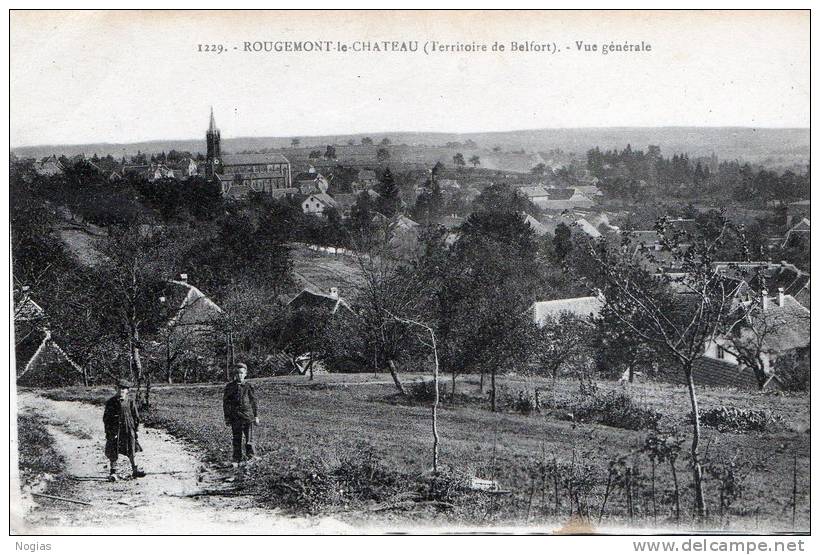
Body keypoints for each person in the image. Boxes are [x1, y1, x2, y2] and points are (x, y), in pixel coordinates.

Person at [103, 380, 146, 481]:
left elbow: (135, 416)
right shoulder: (111, 402)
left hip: (128, 428)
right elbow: (106, 418)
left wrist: (136, 429)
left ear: (127, 390)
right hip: (115, 430)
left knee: (131, 448)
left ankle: (135, 470)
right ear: (116, 389)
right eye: (119, 388)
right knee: (114, 449)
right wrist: (109, 431)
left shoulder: (130, 401)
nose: (121, 390)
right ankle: (113, 472)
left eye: (124, 388)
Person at [223, 363, 259, 465]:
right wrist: (227, 417)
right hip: (235, 417)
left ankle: (251, 458)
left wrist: (256, 416)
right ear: (235, 374)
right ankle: (236, 459)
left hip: (248, 416)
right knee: (236, 439)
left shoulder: (248, 386)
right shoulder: (230, 387)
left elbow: (253, 402)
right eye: (238, 373)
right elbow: (226, 404)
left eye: (242, 373)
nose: (240, 375)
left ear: (245, 374)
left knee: (249, 439)